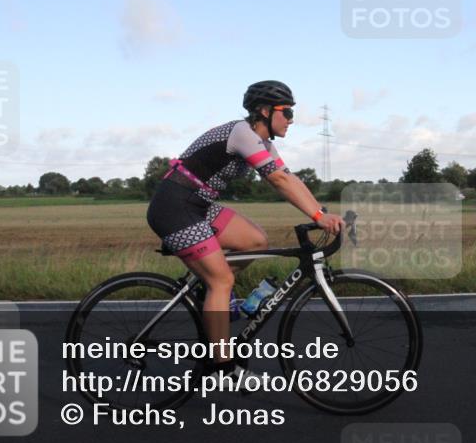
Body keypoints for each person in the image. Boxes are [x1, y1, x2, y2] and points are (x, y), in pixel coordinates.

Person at [146, 80, 343, 382]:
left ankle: (215, 298)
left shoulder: (263, 142)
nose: (292, 120)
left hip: (198, 203)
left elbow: (289, 177)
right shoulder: (242, 133)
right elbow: (278, 181)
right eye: (287, 112)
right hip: (174, 205)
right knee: (221, 279)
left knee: (255, 240)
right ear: (264, 111)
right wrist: (317, 215)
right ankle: (223, 367)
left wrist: (321, 213)